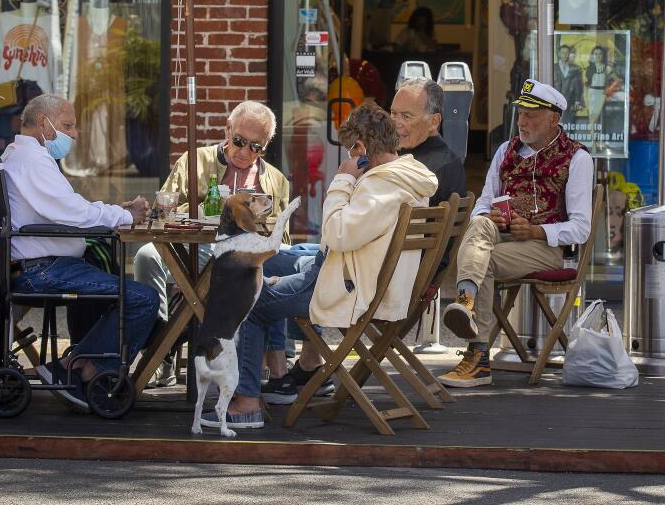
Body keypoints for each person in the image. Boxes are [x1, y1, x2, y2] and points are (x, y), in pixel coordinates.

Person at [209, 104, 436, 431]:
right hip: (358, 274)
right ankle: (286, 372)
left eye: (351, 148)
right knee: (282, 256)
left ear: (360, 148)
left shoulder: (382, 185)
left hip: (349, 288)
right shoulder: (408, 176)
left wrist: (344, 179)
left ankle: (245, 403)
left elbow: (337, 232)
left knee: (249, 299)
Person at [2, 93, 157, 409]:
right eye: (68, 125)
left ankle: (81, 363)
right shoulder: (31, 160)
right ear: (44, 123)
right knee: (143, 298)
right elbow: (73, 213)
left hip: (45, 263)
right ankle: (80, 367)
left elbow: (69, 209)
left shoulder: (25, 154)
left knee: (118, 283)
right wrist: (125, 216)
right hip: (43, 269)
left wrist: (116, 210)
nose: (73, 134)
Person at [439, 79, 593, 388]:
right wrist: (489, 213)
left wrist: (537, 230)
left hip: (544, 249)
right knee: (480, 225)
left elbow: (581, 228)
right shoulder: (504, 151)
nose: (522, 121)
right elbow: (484, 200)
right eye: (521, 113)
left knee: (484, 259)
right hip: (500, 236)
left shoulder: (576, 158)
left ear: (554, 119)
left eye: (531, 115)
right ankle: (466, 301)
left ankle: (479, 356)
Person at [133, 100, 291, 387]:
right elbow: (161, 211)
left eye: (256, 147)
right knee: (146, 255)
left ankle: (275, 359)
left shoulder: (276, 180)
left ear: (266, 146)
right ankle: (158, 349)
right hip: (197, 246)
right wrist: (208, 209)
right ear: (227, 130)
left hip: (246, 257)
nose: (245, 152)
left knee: (277, 267)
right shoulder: (196, 161)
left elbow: (283, 237)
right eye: (240, 141)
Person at [390, 77, 467, 210]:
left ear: (434, 122)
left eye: (406, 116)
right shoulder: (391, 154)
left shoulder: (444, 167)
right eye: (393, 113)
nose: (395, 123)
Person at [553, 44, 585, 118]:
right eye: (563, 53)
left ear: (569, 54)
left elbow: (579, 86)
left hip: (570, 101)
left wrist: (578, 101)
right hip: (555, 101)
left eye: (567, 53)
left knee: (569, 123)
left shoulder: (575, 69)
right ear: (559, 54)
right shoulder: (553, 67)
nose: (565, 55)